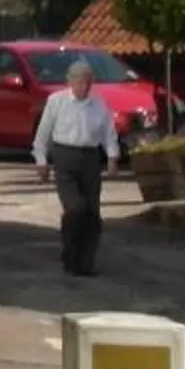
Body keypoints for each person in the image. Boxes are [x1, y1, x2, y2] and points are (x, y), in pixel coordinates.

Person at [33, 55, 120, 276]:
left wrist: (112, 157)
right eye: (80, 81)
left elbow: (108, 133)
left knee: (91, 212)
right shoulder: (56, 101)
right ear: (69, 81)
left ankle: (86, 261)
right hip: (64, 157)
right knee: (75, 208)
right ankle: (70, 254)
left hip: (90, 158)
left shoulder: (98, 104)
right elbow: (42, 134)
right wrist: (41, 161)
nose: (84, 86)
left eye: (88, 82)